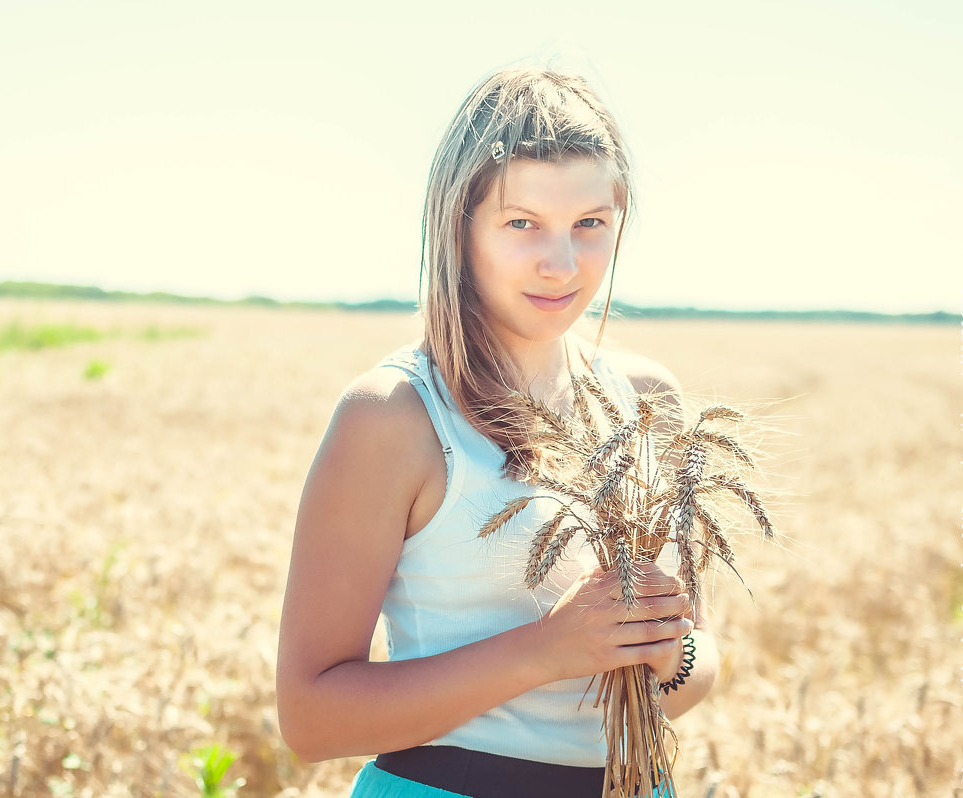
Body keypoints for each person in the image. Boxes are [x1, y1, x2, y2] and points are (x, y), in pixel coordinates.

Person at [276, 63, 719, 798]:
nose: (561, 262)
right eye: (523, 224)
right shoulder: (393, 415)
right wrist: (546, 652)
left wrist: (668, 651)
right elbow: (310, 716)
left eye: (590, 225)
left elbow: (697, 665)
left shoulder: (649, 400)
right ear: (461, 227)